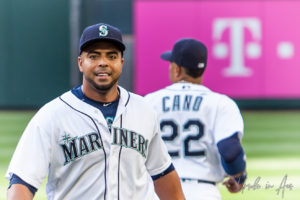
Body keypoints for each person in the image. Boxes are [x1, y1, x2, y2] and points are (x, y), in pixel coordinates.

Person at [6, 23, 185, 200]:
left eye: (111, 56)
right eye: (94, 56)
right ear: (80, 63)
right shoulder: (52, 115)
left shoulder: (143, 110)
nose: (103, 63)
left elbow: (163, 173)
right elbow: (22, 182)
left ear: (121, 63)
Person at [144, 38, 247, 200]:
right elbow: (230, 150)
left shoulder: (149, 102)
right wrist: (239, 176)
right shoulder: (221, 103)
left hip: (157, 191)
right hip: (204, 191)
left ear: (176, 69)